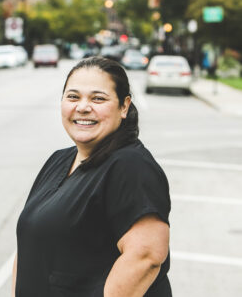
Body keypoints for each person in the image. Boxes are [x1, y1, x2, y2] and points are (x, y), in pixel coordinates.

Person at [12, 56, 172, 297]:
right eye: (73, 97)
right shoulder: (59, 160)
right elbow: (28, 247)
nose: (83, 107)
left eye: (98, 98)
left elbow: (146, 257)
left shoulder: (131, 166)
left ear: (124, 106)